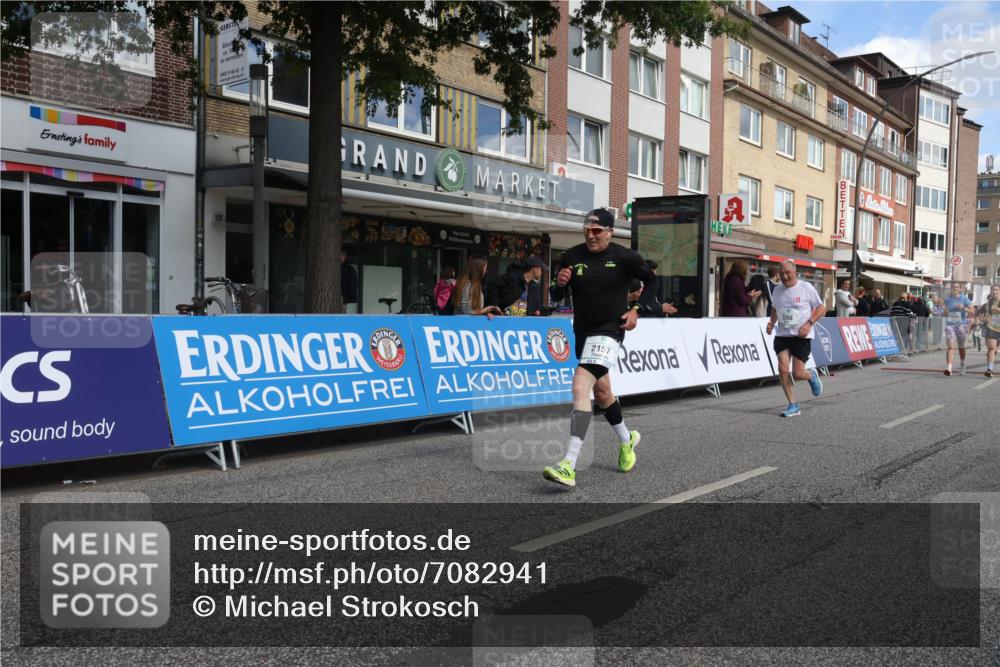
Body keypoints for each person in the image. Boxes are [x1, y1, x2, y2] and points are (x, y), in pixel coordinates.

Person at [542, 208, 655, 488]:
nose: (591, 236)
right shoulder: (571, 256)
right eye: (587, 230)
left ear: (609, 232)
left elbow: (651, 282)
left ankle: (568, 463)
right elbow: (556, 295)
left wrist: (636, 310)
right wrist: (558, 284)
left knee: (580, 387)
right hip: (582, 331)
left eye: (597, 231)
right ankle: (627, 440)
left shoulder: (624, 256)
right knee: (603, 392)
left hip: (609, 331)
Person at [766, 260, 827, 417]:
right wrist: (772, 323)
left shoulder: (806, 288)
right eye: (782, 273)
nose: (785, 276)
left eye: (788, 273)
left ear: (795, 272)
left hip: (801, 335)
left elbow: (821, 308)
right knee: (783, 368)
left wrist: (809, 324)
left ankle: (811, 375)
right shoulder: (777, 290)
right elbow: (775, 308)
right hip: (782, 335)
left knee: (798, 373)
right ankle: (793, 405)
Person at [942, 281, 975, 376]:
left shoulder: (964, 299)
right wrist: (946, 311)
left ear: (960, 289)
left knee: (961, 347)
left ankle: (963, 363)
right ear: (951, 288)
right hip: (950, 325)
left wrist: (964, 308)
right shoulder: (947, 299)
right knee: (950, 346)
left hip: (961, 326)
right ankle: (949, 368)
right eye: (953, 287)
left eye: (957, 287)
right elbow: (945, 312)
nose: (955, 288)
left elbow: (972, 311)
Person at [979, 283, 1000, 377]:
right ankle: (989, 369)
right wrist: (984, 319)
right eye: (993, 290)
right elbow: (980, 316)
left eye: (996, 290)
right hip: (991, 327)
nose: (994, 291)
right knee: (991, 348)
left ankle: (996, 349)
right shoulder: (986, 305)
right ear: (990, 291)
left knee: (993, 348)